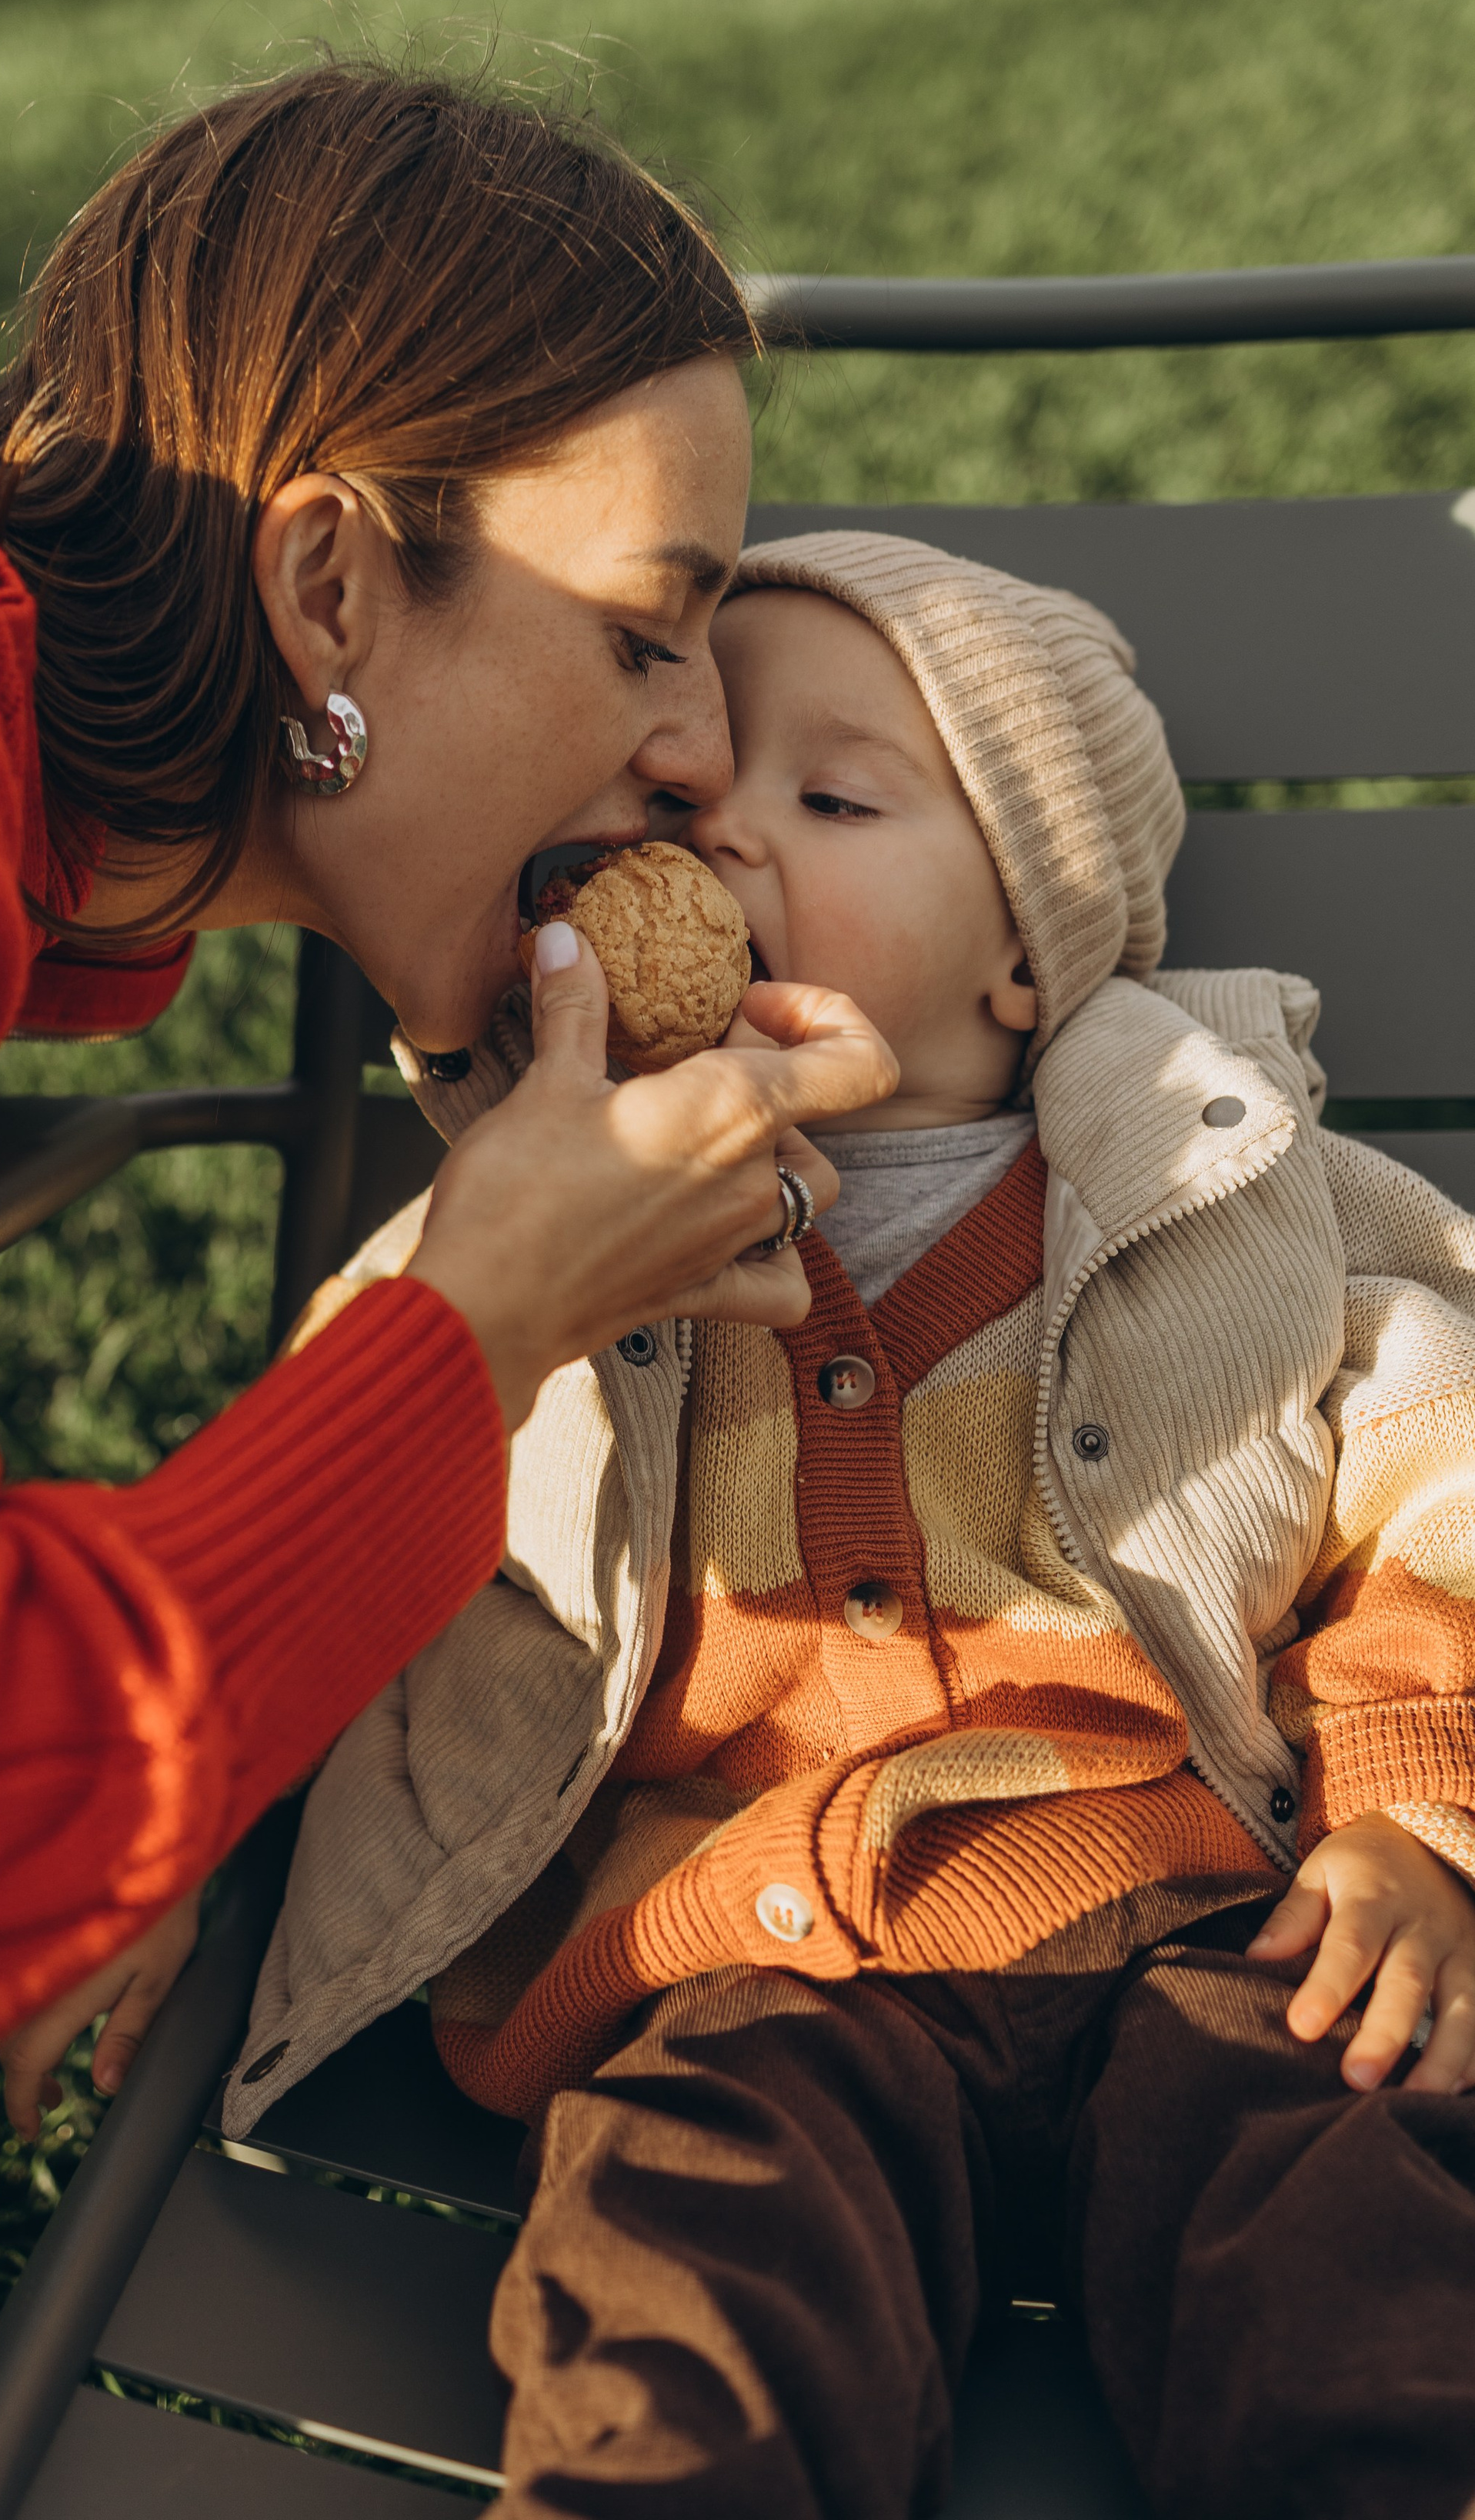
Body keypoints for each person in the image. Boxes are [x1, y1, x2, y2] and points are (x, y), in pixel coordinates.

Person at [0, 65, 899, 2202]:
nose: (700, 756)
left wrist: (130, 1772)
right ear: (329, 587)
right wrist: (479, 1321)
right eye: (639, 633)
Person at [229, 528, 1475, 2520]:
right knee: (689, 2235)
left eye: (832, 797)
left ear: (1028, 942)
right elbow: (331, 1500)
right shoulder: (545, 1228)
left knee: (1324, 2186)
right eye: (681, 797)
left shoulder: (1245, 1203)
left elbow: (1449, 1471)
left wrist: (1409, 1806)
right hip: (753, 1932)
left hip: (1199, 1906)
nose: (718, 842)